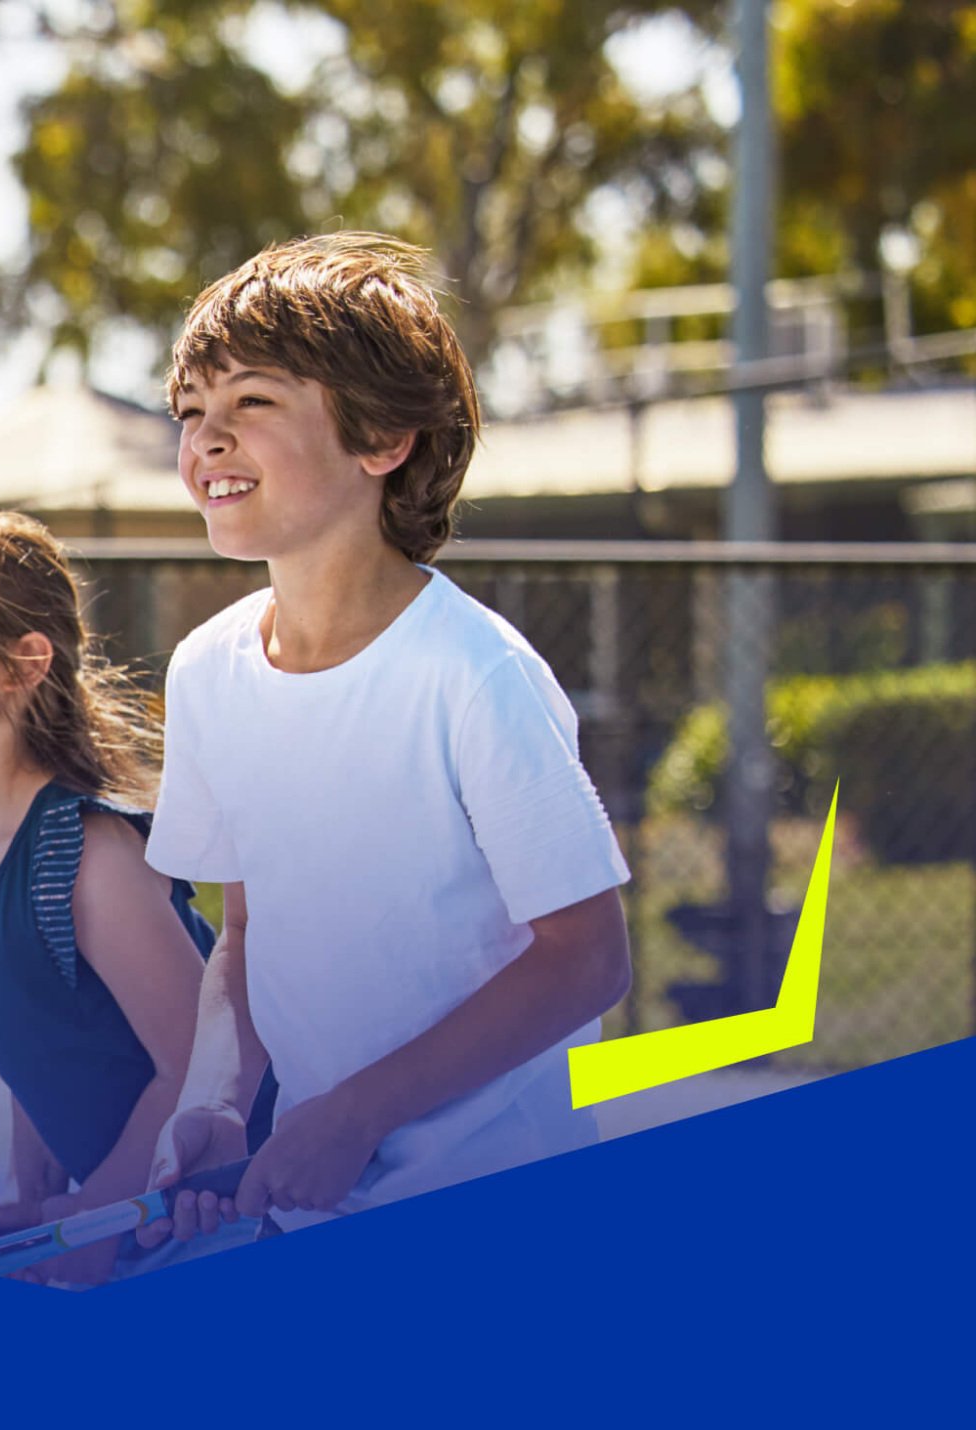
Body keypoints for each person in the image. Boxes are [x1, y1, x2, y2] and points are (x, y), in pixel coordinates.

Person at [139, 233, 634, 1247]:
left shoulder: (474, 675)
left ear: (381, 440)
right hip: (318, 1201)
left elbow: (588, 960)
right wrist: (218, 1099)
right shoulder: (205, 671)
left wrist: (359, 1112)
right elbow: (245, 932)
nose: (206, 440)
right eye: (190, 411)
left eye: (251, 402)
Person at [0, 501, 259, 1285]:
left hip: (238, 1217)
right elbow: (29, 1042)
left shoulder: (92, 858)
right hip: (129, 1230)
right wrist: (32, 1192)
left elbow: (199, 1065)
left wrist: (96, 1212)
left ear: (23, 665)